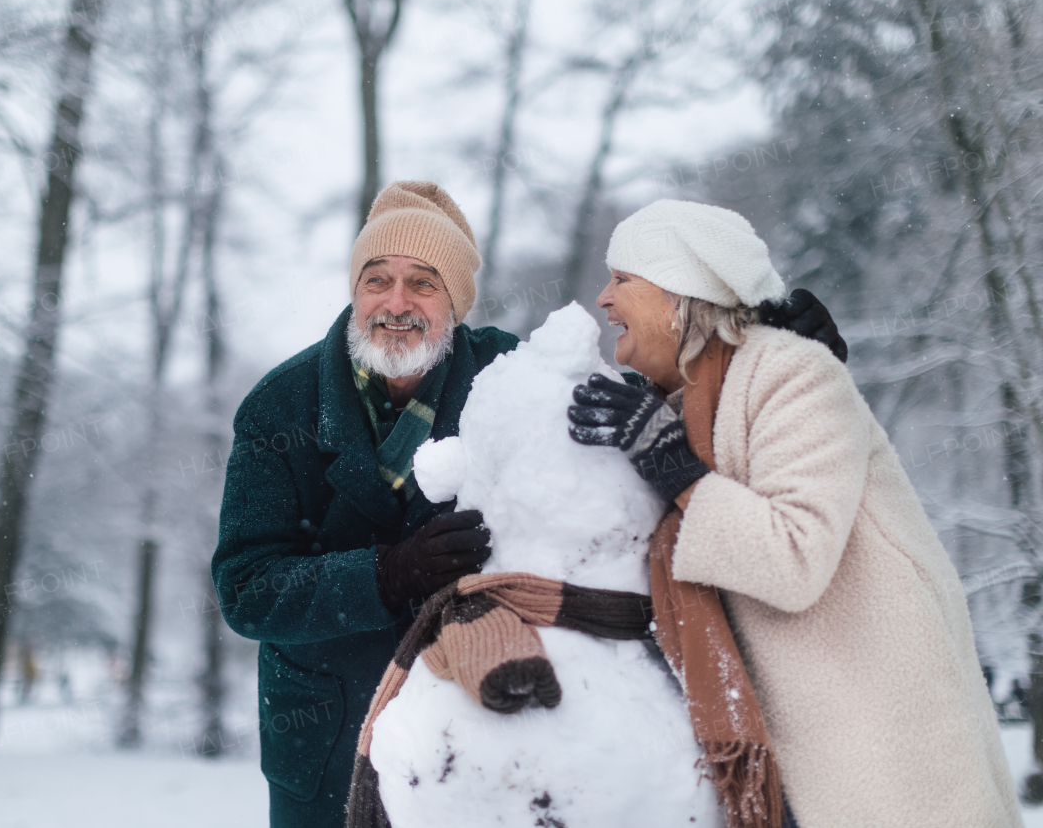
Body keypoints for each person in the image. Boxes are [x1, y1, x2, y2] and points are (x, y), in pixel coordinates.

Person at [213, 183, 845, 828]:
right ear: (356, 290)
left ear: (455, 303)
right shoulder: (280, 407)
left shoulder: (509, 373)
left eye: (423, 284)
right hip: (328, 725)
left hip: (472, 723)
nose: (395, 303)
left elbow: (652, 408)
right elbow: (245, 588)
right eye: (378, 280)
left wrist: (759, 355)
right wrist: (384, 574)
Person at [567, 198, 1020, 828]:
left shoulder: (793, 375)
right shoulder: (685, 404)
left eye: (622, 279)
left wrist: (673, 466)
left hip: (886, 741)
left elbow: (794, 558)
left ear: (681, 292)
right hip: (816, 750)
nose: (604, 299)